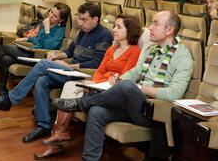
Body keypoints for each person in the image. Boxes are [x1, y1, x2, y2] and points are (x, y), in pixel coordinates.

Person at [53, 11, 194, 160]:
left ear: (169, 30)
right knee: (96, 111)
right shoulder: (152, 50)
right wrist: (118, 79)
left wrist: (139, 88)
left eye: (155, 24)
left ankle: (80, 103)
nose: (150, 28)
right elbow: (135, 72)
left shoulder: (182, 57)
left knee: (127, 86)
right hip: (134, 105)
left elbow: (175, 94)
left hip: (155, 112)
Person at [0, 2, 113, 144]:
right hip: (71, 71)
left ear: (95, 19)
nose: (80, 23)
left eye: (84, 20)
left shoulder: (104, 34)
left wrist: (69, 65)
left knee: (42, 64)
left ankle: (8, 100)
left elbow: (97, 63)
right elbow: (69, 51)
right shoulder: (82, 32)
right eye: (79, 19)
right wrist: (57, 56)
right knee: (41, 81)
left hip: (84, 74)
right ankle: (44, 125)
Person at [34, 14, 155, 160]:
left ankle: (58, 137)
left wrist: (104, 84)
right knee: (70, 85)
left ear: (129, 31)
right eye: (114, 26)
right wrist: (93, 84)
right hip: (99, 85)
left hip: (113, 90)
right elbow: (100, 70)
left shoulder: (135, 51)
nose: (114, 29)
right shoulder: (111, 50)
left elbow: (126, 76)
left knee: (77, 94)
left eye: (118, 27)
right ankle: (60, 133)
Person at [0, 2, 71, 95]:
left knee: (6, 48)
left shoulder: (60, 31)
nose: (50, 16)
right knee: (5, 59)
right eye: (51, 12)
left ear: (61, 20)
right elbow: (37, 39)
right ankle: (2, 91)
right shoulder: (45, 23)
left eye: (55, 16)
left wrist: (47, 30)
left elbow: (48, 46)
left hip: (41, 59)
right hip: (33, 52)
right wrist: (25, 39)